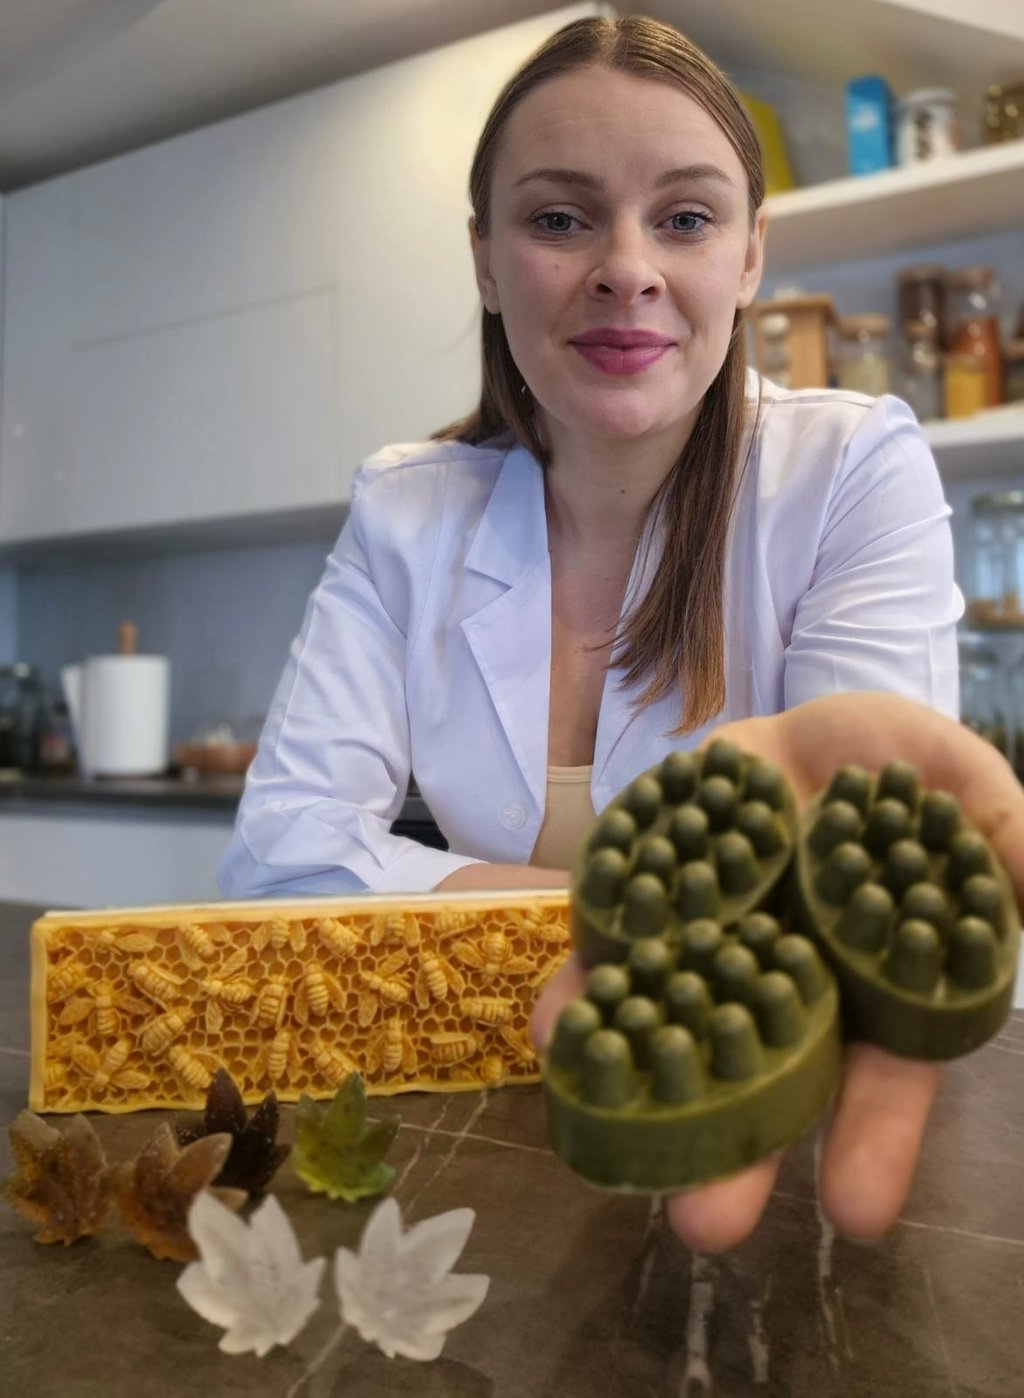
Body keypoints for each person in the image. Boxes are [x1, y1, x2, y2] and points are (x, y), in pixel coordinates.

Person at [218, 16, 974, 1248]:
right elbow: (277, 862)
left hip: (765, 1107)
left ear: (748, 256)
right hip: (487, 1124)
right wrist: (654, 915)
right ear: (484, 260)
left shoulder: (848, 472)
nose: (627, 269)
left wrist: (493, 903)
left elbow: (854, 903)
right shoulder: (407, 512)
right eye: (561, 219)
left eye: (685, 218)